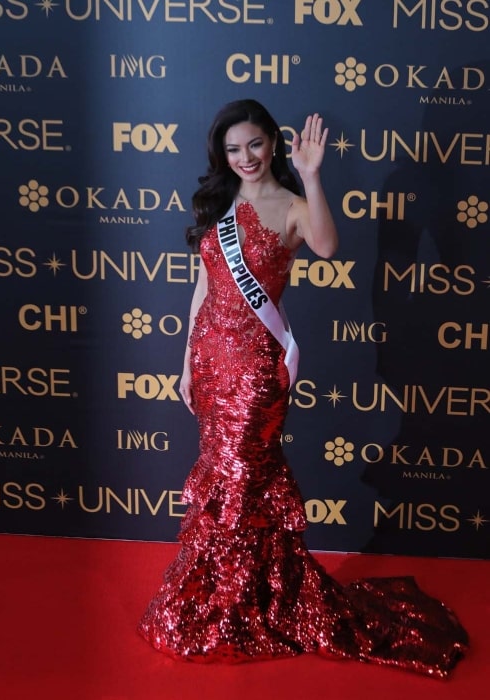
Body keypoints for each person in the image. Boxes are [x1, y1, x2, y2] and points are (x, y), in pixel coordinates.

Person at [138, 99, 468, 677]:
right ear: (222, 154)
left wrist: (313, 176)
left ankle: (236, 605)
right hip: (212, 363)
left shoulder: (291, 206)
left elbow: (327, 245)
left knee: (242, 478)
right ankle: (246, 590)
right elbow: (202, 287)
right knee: (224, 477)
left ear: (273, 143)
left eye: (255, 145)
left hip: (257, 370)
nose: (245, 158)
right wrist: (186, 362)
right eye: (233, 149)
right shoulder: (217, 203)